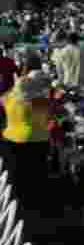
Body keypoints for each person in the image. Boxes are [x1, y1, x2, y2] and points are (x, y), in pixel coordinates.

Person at [1, 68, 51, 207]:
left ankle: (17, 201)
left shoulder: (7, 98)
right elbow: (49, 119)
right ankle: (33, 200)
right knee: (35, 173)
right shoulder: (39, 102)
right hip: (35, 140)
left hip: (10, 139)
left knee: (16, 172)